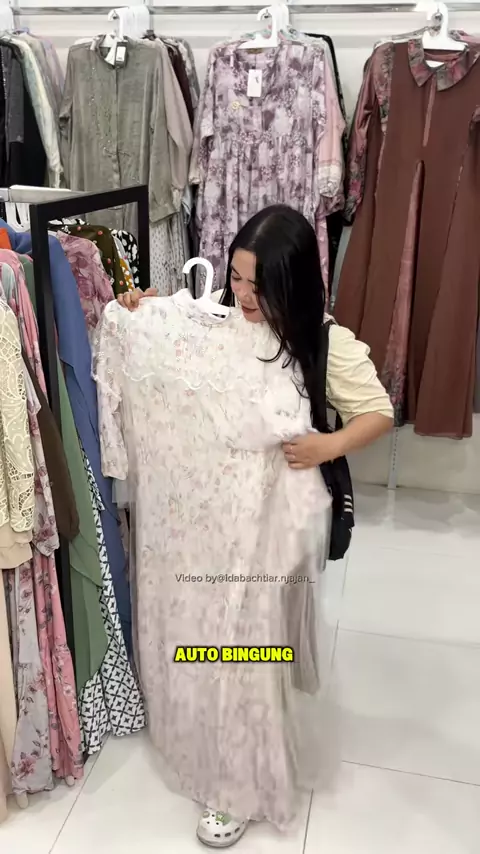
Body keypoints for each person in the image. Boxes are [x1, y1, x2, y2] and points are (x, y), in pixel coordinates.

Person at [115, 205, 393, 847]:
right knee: (212, 632)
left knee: (251, 644)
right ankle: (214, 740)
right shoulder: (221, 317)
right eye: (236, 277)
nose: (241, 294)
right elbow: (178, 369)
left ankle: (241, 782)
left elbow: (378, 412)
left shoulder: (322, 341)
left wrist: (326, 446)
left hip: (277, 523)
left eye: (255, 284)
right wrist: (142, 316)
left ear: (290, 283)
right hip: (210, 522)